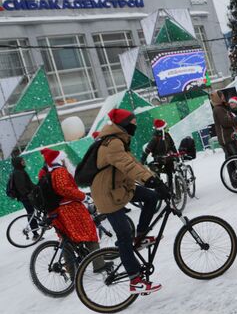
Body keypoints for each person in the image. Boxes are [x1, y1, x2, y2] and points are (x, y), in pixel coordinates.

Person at [91, 108, 170, 294]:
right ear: (123, 124)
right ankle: (135, 280)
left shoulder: (120, 140)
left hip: (120, 188)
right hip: (107, 195)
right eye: (132, 123)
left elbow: (134, 164)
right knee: (124, 237)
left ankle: (140, 236)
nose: (135, 126)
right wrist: (150, 180)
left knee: (151, 197)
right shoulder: (112, 143)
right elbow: (127, 166)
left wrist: (154, 180)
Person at [40, 148, 108, 273]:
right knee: (90, 234)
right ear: (60, 160)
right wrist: (83, 196)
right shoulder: (60, 171)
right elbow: (64, 189)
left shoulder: (50, 173)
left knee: (67, 240)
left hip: (59, 210)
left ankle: (72, 272)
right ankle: (99, 264)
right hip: (70, 209)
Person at [9, 156, 40, 241]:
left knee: (32, 212)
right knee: (31, 213)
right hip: (26, 197)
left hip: (26, 196)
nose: (24, 162)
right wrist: (28, 194)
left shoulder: (19, 171)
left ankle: (36, 231)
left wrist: (37, 187)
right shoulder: (18, 172)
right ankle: (35, 234)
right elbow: (21, 187)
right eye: (22, 161)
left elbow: (28, 184)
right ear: (18, 163)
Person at [141, 119, 177, 188]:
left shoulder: (167, 135)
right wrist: (142, 161)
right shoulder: (155, 138)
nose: (166, 128)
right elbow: (147, 150)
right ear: (162, 128)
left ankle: (170, 190)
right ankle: (162, 189)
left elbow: (172, 146)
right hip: (159, 160)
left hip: (168, 159)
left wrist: (176, 155)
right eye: (165, 127)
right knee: (158, 176)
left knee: (169, 174)